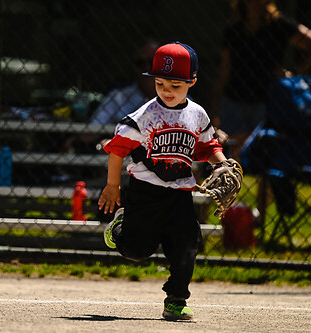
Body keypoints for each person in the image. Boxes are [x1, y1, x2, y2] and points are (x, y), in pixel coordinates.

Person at [98, 42, 227, 321]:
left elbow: (206, 146)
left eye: (175, 85)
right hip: (146, 193)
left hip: (180, 193)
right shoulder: (144, 117)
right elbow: (117, 149)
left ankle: (176, 299)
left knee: (187, 245)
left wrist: (222, 163)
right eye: (160, 83)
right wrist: (112, 186)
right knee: (136, 251)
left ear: (192, 81)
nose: (167, 91)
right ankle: (121, 227)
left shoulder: (197, 114)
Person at [211, 0, 311, 158]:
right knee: (231, 151)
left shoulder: (280, 26)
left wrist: (294, 73)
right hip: (234, 99)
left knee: (265, 152)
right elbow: (224, 72)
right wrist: (214, 108)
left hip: (267, 99)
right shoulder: (233, 30)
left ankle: (265, 183)